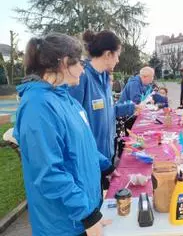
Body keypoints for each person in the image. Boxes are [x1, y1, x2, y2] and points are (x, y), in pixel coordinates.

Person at [13, 33, 114, 236]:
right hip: (64, 224)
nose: (82, 71)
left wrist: (107, 166)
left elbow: (84, 145)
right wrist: (87, 215)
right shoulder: (37, 106)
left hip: (83, 211)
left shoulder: (66, 99)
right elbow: (48, 173)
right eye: (78, 64)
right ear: (64, 63)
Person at [69, 30, 134, 169]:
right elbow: (72, 125)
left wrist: (132, 107)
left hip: (106, 155)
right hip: (90, 159)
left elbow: (109, 110)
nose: (118, 60)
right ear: (108, 54)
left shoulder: (104, 78)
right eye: (117, 55)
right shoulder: (81, 77)